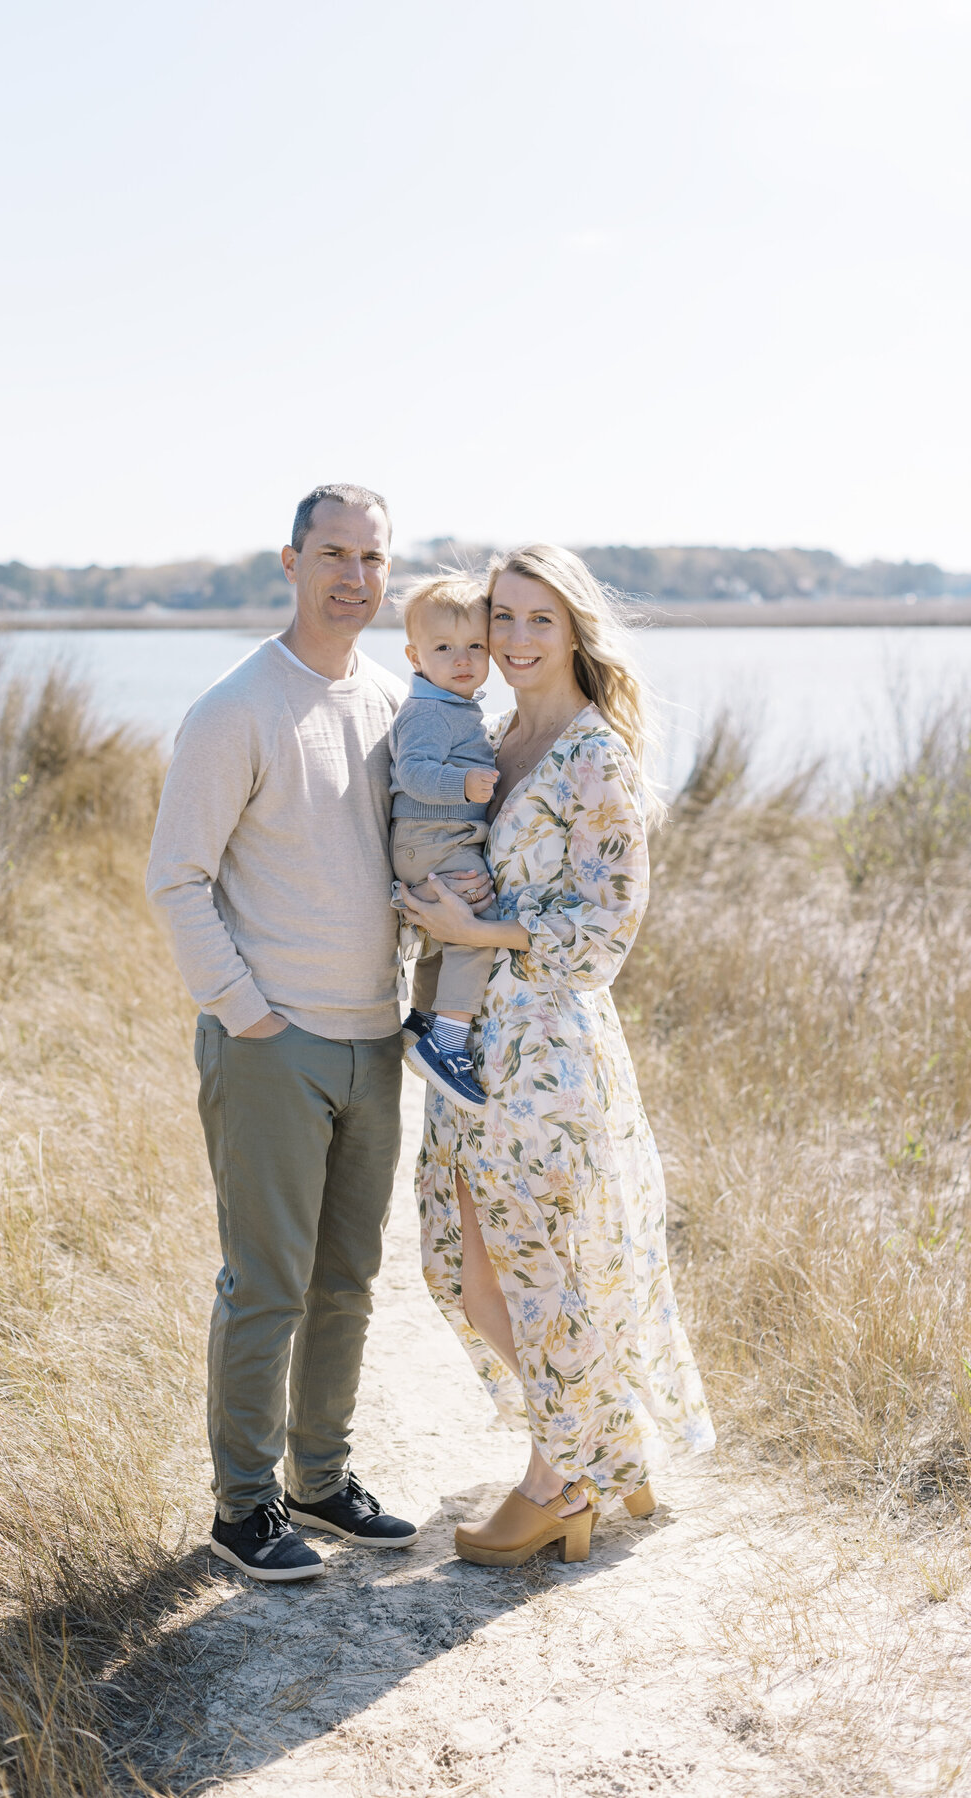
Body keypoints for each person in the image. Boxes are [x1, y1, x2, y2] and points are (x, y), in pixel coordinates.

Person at [146, 483, 492, 1583]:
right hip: (272, 1043)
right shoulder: (236, 707)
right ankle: (242, 1508)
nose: (353, 574)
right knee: (267, 1281)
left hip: (373, 1037)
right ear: (290, 561)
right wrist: (245, 1012)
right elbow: (177, 878)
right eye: (333, 552)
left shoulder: (397, 701)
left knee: (348, 1277)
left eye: (372, 558)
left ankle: (319, 1479)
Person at [399, 543, 715, 1569]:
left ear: (576, 629)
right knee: (461, 1261)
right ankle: (601, 1437)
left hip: (545, 1047)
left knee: (535, 1266)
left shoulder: (594, 753)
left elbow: (608, 928)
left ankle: (558, 1479)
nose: (517, 639)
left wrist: (481, 933)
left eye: (540, 619)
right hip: (472, 1040)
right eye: (503, 619)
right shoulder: (495, 734)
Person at [389, 575, 501, 1113]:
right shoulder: (430, 712)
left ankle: (423, 1019)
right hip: (431, 839)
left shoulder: (452, 707)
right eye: (443, 648)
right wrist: (460, 785)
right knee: (476, 924)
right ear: (414, 656)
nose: (463, 660)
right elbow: (412, 771)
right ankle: (449, 1041)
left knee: (445, 936)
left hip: (431, 840)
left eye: (475, 647)